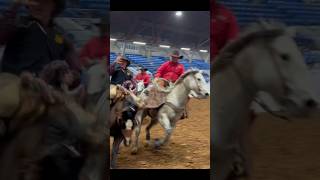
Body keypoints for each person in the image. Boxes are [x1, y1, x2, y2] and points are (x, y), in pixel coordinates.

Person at [0, 0, 80, 75]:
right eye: (34, 0)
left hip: (46, 86)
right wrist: (14, 7)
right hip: (15, 84)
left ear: (55, 6)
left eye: (44, 1)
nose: (38, 5)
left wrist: (72, 76)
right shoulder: (18, 24)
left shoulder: (61, 35)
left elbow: (74, 70)